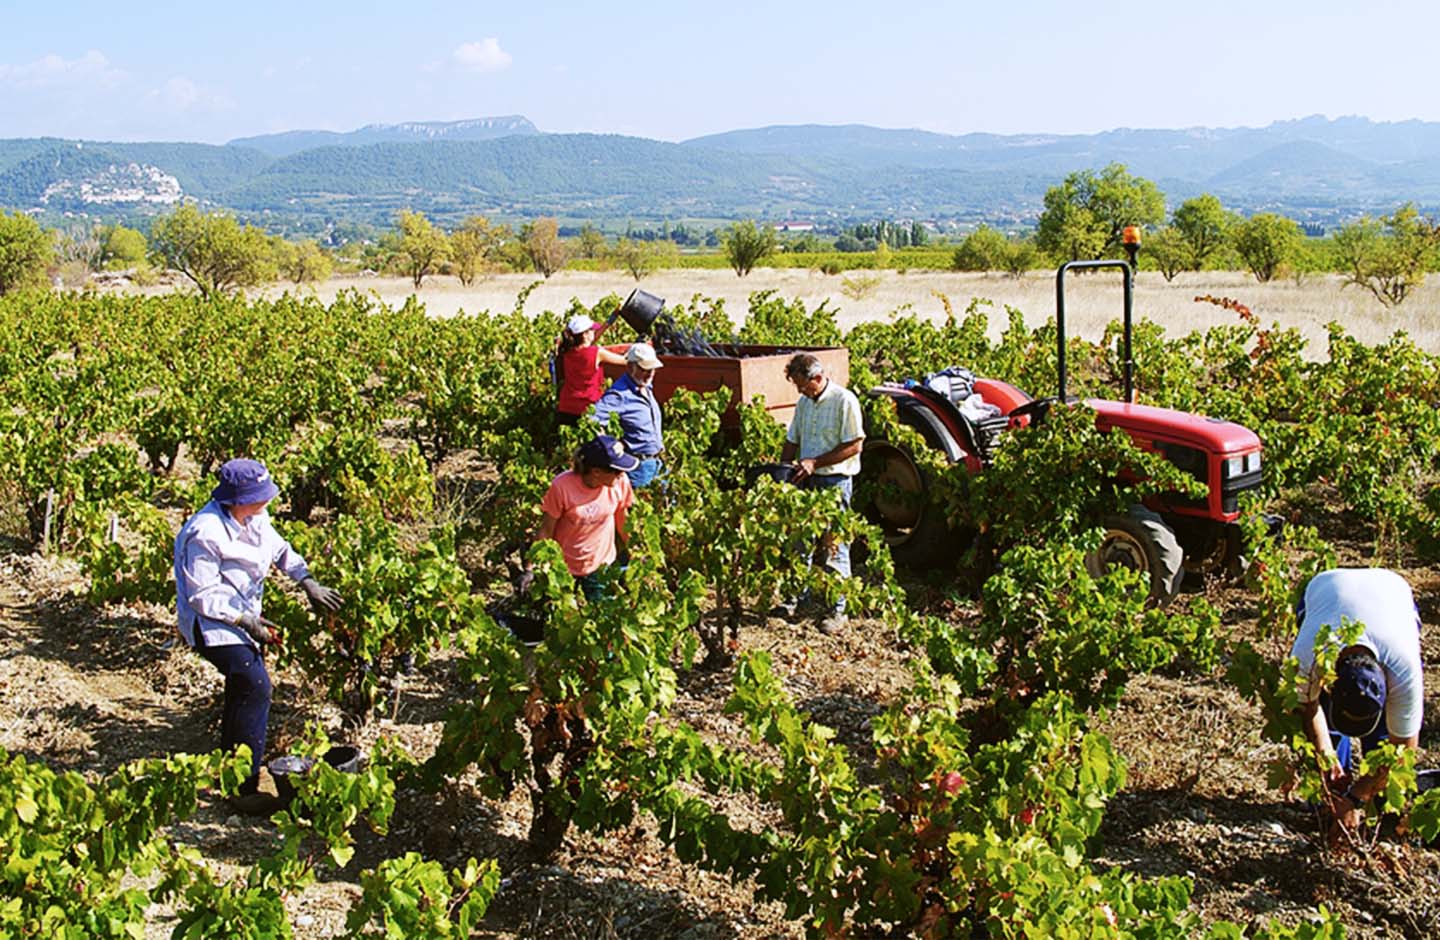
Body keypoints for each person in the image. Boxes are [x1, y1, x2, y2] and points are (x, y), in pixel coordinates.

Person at [173, 459, 343, 814]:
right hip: (213, 622)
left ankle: (231, 766)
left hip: (245, 614)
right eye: (258, 497)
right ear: (235, 499)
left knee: (244, 688)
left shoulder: (255, 518)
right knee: (255, 684)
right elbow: (201, 595)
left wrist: (306, 580)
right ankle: (242, 788)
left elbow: (280, 551)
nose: (267, 502)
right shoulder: (205, 533)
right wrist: (245, 620)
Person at [1291, 567, 1424, 833]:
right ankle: (1331, 793)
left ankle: (1374, 800)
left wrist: (1358, 797)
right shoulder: (1309, 656)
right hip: (1326, 589)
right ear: (1331, 683)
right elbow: (1307, 708)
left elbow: (1404, 749)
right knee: (1323, 731)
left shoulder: (1402, 670)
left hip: (1392, 591)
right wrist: (1326, 758)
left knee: (1386, 741)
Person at [776, 353, 865, 635]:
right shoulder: (804, 402)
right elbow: (793, 439)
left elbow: (855, 445)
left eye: (803, 385)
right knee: (800, 542)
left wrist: (815, 462)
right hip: (806, 481)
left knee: (833, 547)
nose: (800, 391)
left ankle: (837, 611)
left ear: (817, 377)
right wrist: (782, 472)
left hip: (834, 483)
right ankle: (796, 600)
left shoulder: (844, 400)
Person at [523, 435, 637, 602]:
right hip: (563, 568)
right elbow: (546, 530)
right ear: (596, 472)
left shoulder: (620, 483)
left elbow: (623, 521)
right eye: (617, 471)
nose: (622, 475)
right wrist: (530, 568)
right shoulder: (562, 486)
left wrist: (636, 554)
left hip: (601, 566)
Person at [593, 342, 665, 488]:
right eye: (645, 368)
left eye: (652, 369)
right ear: (630, 367)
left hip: (658, 463)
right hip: (638, 468)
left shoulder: (645, 386)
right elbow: (592, 421)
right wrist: (611, 446)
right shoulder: (619, 395)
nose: (650, 373)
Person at [555, 313, 628, 426]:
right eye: (591, 330)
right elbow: (625, 361)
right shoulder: (597, 353)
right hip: (588, 409)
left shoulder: (567, 350)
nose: (594, 332)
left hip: (566, 407)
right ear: (585, 334)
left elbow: (589, 342)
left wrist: (610, 321)